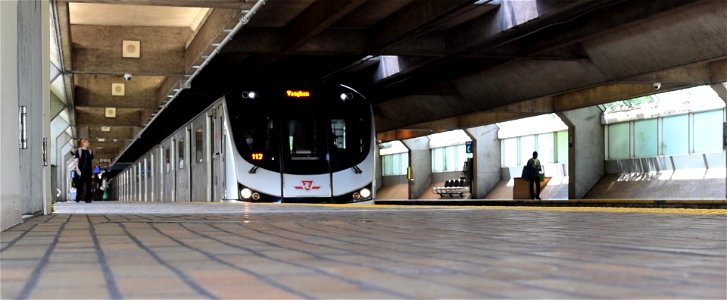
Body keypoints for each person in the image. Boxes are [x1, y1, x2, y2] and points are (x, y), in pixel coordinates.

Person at [74, 138, 94, 203]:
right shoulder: (79, 150)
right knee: (80, 184)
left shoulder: (90, 151)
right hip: (81, 170)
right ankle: (78, 197)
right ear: (84, 143)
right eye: (87, 142)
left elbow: (90, 160)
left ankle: (88, 199)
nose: (88, 143)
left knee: (89, 185)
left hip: (88, 170)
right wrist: (77, 169)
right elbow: (76, 160)